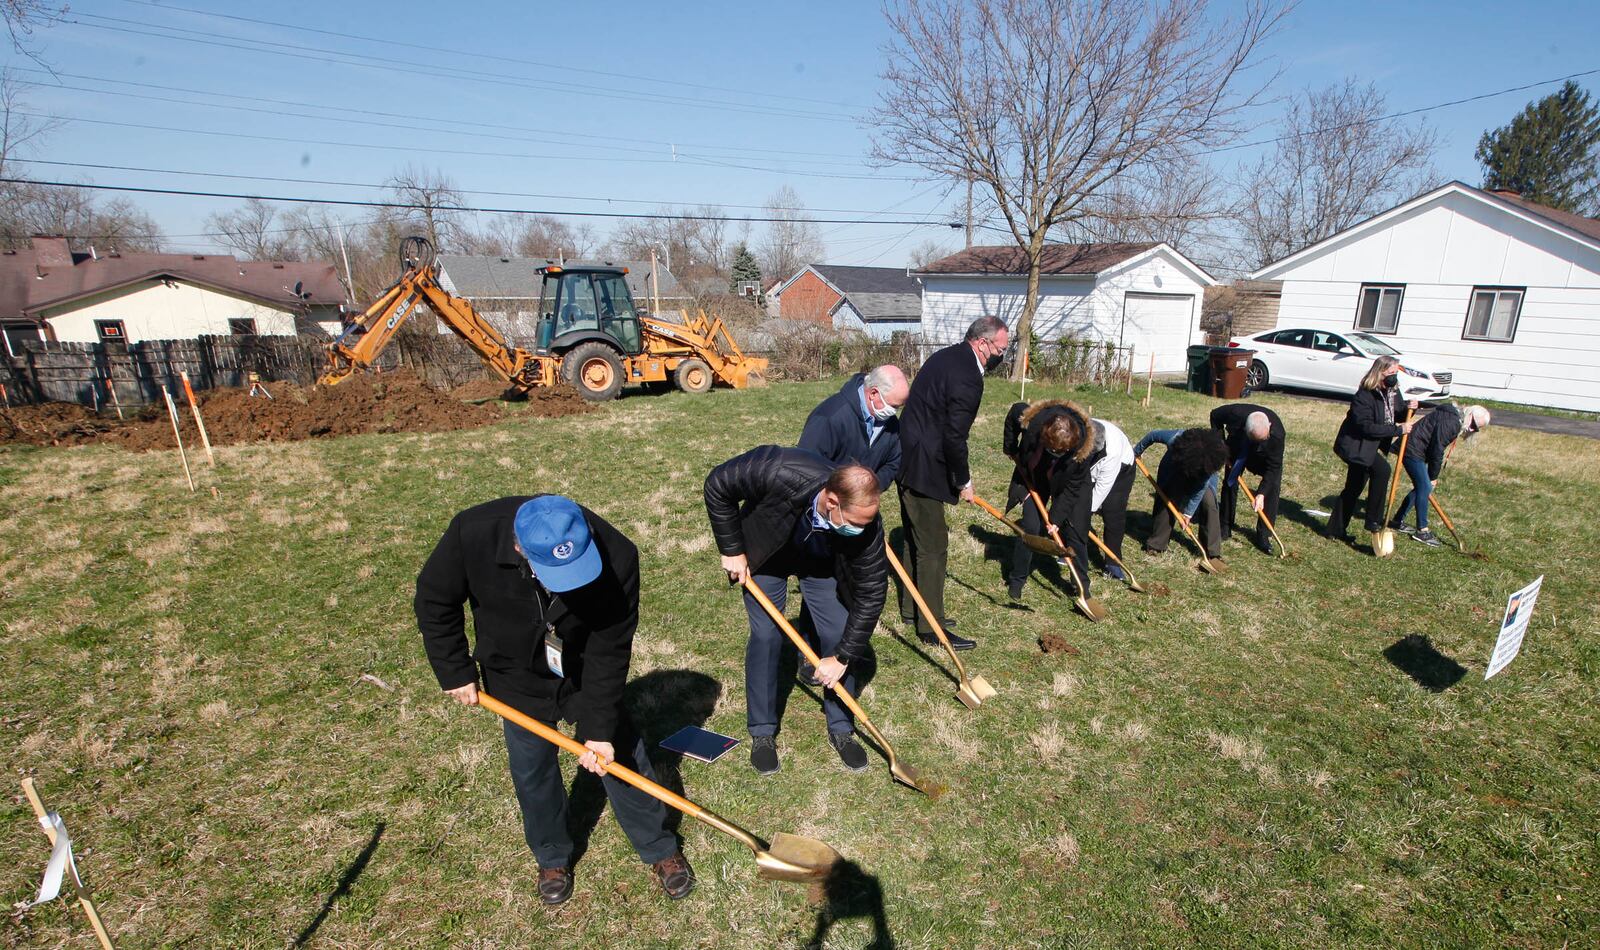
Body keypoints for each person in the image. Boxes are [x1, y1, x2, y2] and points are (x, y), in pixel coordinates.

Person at [415, 495, 694, 906]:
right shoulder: (470, 533)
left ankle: (658, 846)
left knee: (620, 751)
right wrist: (455, 669)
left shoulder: (617, 556)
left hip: (584, 667)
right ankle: (551, 855)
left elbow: (610, 647)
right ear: (517, 547)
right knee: (532, 766)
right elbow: (435, 600)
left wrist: (597, 731)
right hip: (513, 671)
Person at [704, 446, 888, 776]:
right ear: (832, 501)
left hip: (820, 562)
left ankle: (842, 727)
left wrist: (842, 656)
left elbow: (872, 593)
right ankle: (762, 732)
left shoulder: (867, 525)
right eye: (856, 523)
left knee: (838, 630)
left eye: (867, 523)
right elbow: (718, 483)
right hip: (767, 554)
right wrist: (732, 549)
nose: (862, 529)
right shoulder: (780, 469)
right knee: (766, 636)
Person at [895, 315, 1009, 650]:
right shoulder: (967, 378)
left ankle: (911, 609)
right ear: (982, 342)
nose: (1002, 356)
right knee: (933, 546)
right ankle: (931, 628)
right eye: (1000, 349)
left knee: (914, 538)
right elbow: (954, 439)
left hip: (908, 457)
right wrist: (963, 481)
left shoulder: (945, 356)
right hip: (925, 466)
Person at [1001, 399, 1097, 600]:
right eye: (1053, 451)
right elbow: (1014, 411)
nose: (1056, 455)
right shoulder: (1034, 421)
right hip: (1036, 478)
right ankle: (1017, 579)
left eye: (1060, 453)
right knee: (1030, 526)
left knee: (1076, 531)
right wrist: (1010, 448)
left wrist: (1055, 520)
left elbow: (1071, 490)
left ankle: (1082, 590)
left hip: (1071, 482)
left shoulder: (1082, 450)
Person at [1329, 356, 1417, 542]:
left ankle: (1335, 530)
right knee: (1382, 470)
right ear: (1380, 372)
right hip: (1356, 445)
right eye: (1391, 373)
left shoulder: (1392, 391)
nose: (1394, 377)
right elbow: (1365, 427)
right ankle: (1373, 520)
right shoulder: (1364, 395)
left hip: (1369, 447)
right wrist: (1397, 430)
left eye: (1396, 373)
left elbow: (1400, 411)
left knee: (1353, 488)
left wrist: (1411, 407)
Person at [1390, 404, 1491, 547]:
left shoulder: (1455, 419)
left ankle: (1397, 520)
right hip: (1411, 449)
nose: (1471, 429)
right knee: (1425, 487)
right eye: (1473, 424)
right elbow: (1437, 450)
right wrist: (1433, 477)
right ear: (1469, 415)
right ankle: (1422, 530)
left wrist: (1430, 478)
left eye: (1476, 428)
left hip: (1418, 450)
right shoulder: (1451, 422)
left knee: (1422, 487)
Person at [798, 364, 910, 490]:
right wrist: (841, 494)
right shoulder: (829, 418)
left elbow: (892, 462)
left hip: (864, 502)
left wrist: (872, 488)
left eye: (898, 407)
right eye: (893, 406)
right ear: (873, 393)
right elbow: (806, 467)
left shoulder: (890, 423)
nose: (894, 412)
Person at [1134, 428, 1229, 565]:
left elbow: (1200, 489)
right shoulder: (1175, 439)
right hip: (1174, 466)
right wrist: (1137, 451)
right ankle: (1157, 544)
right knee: (1167, 498)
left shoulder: (1211, 459)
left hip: (1203, 474)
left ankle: (1212, 553)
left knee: (1209, 503)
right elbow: (1152, 435)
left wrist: (1188, 514)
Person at [1210, 404, 1286, 556]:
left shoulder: (1277, 434)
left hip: (1265, 457)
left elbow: (1273, 468)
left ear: (1269, 426)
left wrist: (1261, 493)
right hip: (1239, 447)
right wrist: (1221, 445)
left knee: (1272, 486)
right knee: (1230, 482)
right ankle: (1225, 525)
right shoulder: (1235, 413)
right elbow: (1215, 415)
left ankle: (1264, 535)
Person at [1088, 418, 1136, 580]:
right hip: (1087, 465)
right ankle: (1069, 548)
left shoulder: (1112, 454)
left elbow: (1100, 491)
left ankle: (1113, 562)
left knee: (1112, 512)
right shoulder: (1074, 431)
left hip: (1121, 470)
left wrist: (1086, 511)